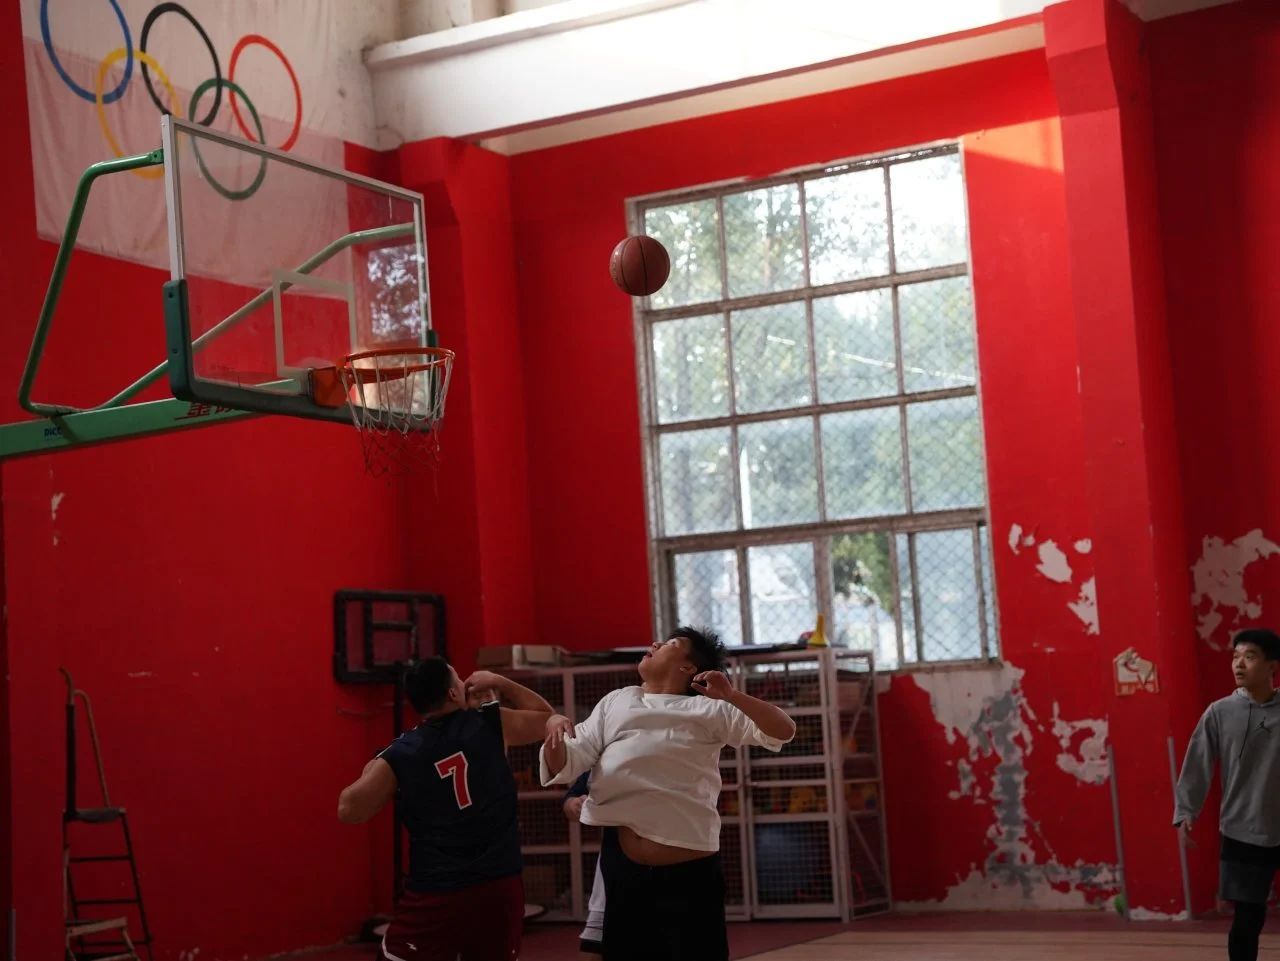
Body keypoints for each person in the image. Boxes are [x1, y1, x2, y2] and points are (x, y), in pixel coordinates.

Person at [541, 626, 796, 961]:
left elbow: (783, 730)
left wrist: (732, 696)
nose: (655, 643)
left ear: (688, 667)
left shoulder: (709, 708)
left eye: (670, 644)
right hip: (624, 868)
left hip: (689, 874)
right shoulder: (617, 700)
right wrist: (554, 735)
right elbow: (568, 762)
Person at [338, 659, 552, 961]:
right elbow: (546, 718)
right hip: (497, 883)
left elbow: (348, 809)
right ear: (453, 693)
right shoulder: (487, 722)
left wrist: (377, 765)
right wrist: (499, 681)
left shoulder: (403, 751)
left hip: (437, 890)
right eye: (459, 678)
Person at [1175, 628, 1280, 961]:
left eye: (1249, 657)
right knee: (1248, 919)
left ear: (1272, 666)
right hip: (1241, 829)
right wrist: (1186, 810)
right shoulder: (1219, 713)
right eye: (1235, 657)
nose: (1238, 664)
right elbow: (1197, 763)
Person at [562, 773, 603, 959]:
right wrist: (574, 804)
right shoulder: (608, 759)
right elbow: (571, 800)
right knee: (592, 950)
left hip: (673, 863)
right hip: (616, 865)